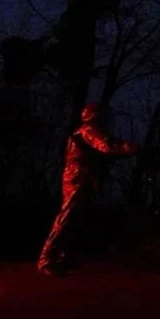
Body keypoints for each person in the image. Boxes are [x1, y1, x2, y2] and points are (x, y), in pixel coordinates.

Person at [38, 101, 139, 276]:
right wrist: (131, 148)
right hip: (78, 176)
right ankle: (46, 259)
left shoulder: (84, 131)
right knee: (67, 216)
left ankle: (61, 258)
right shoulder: (88, 130)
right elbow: (107, 145)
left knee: (75, 217)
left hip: (80, 175)